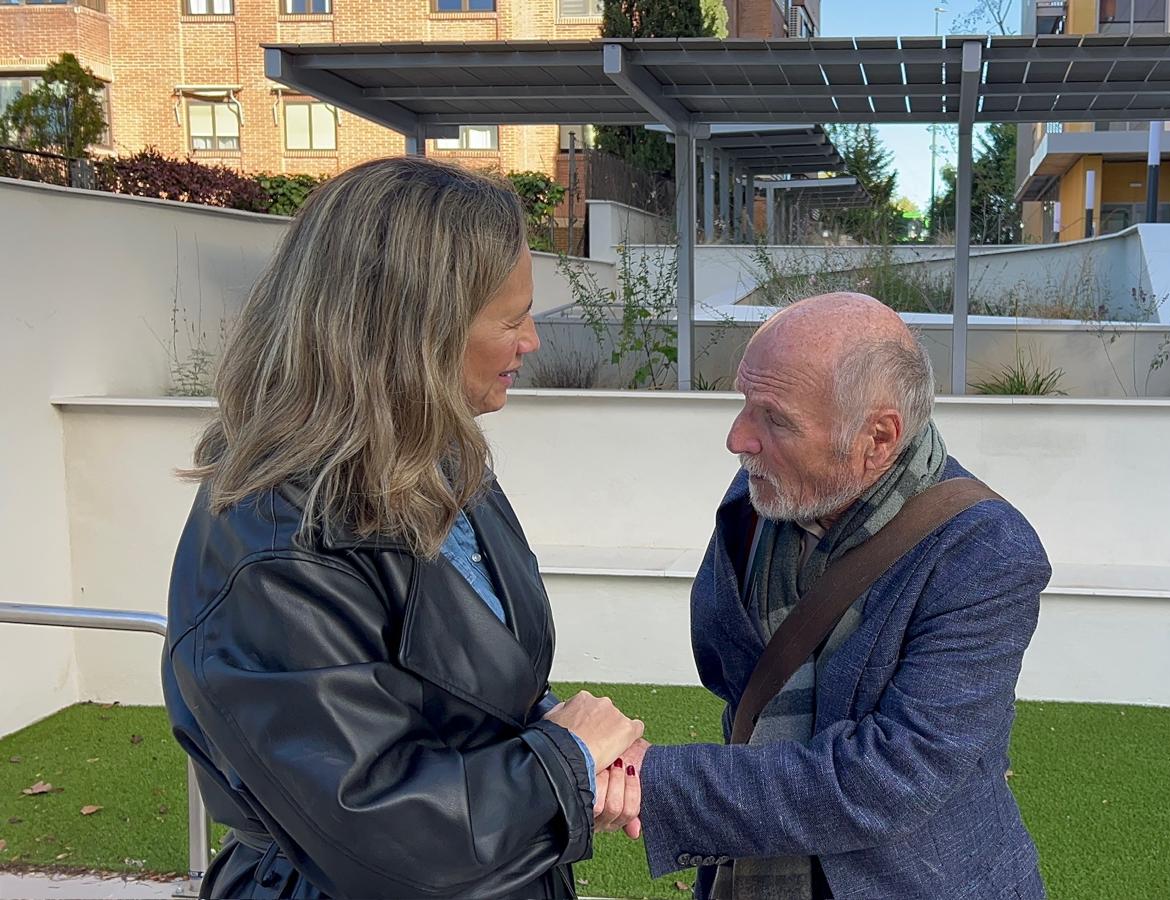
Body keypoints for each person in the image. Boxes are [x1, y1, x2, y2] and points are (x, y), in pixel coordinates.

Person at [162, 157, 644, 899]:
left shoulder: (444, 465)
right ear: (415, 331)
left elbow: (459, 688)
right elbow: (374, 837)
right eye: (512, 319)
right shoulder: (273, 544)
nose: (532, 341)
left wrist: (570, 744)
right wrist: (564, 760)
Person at [628, 293, 1052, 899]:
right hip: (748, 869)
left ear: (878, 437)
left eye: (775, 419)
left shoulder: (984, 551)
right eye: (744, 403)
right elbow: (730, 670)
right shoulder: (762, 499)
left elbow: (892, 776)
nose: (738, 438)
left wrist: (646, 779)